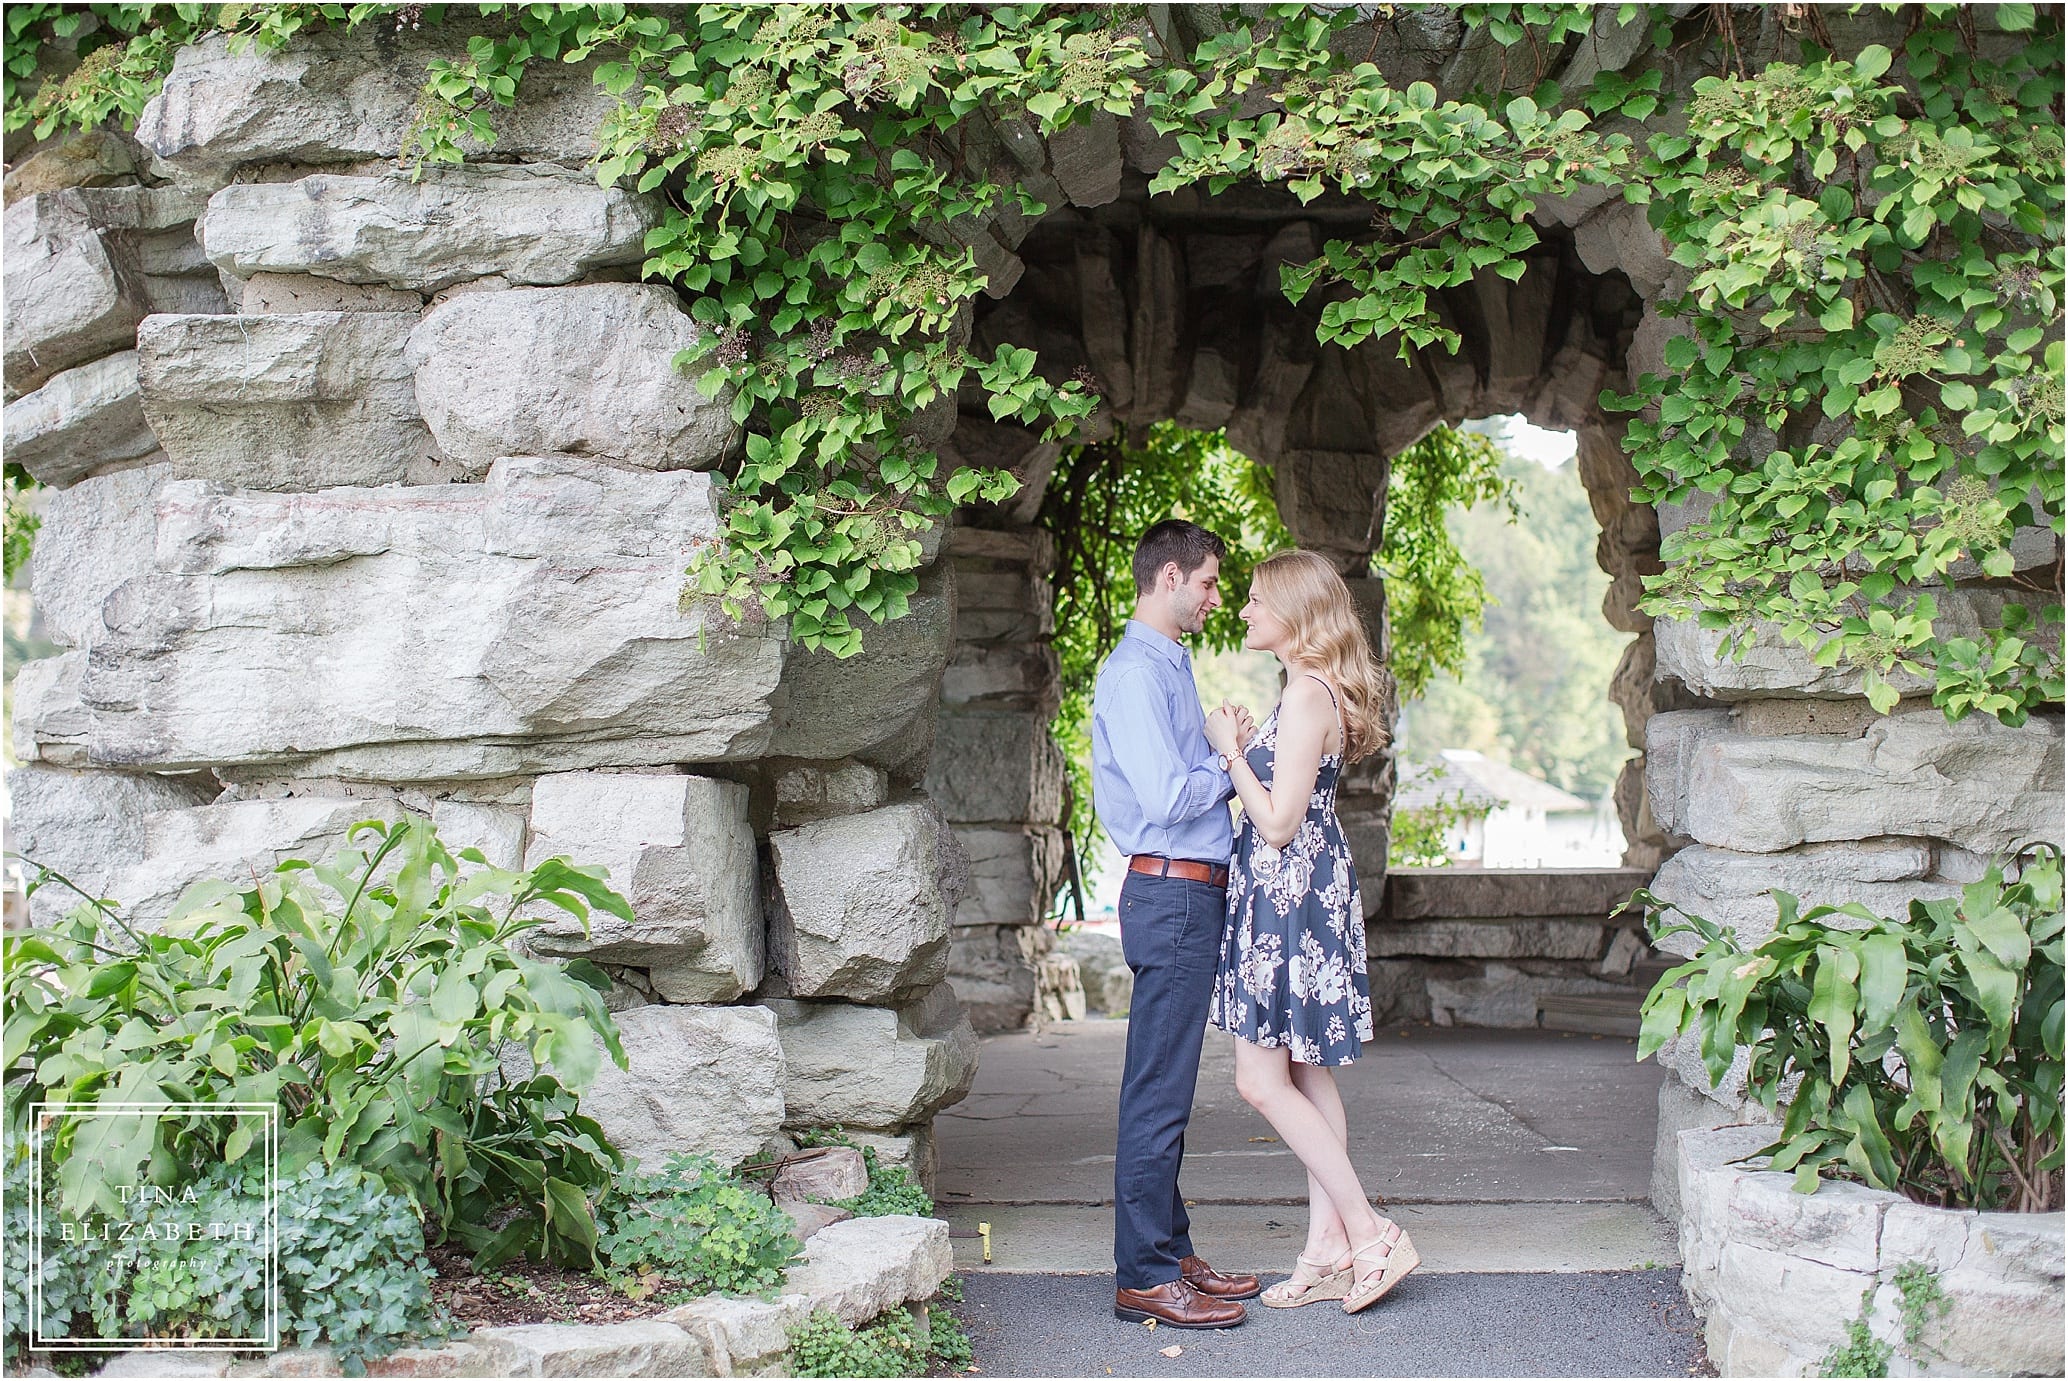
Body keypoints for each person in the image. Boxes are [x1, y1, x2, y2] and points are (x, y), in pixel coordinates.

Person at [1201, 548, 1414, 1315]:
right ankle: (1326, 1250)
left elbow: (1280, 823)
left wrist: (1230, 752)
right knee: (1309, 1072)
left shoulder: (1306, 688)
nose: (1245, 609)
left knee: (1260, 1079)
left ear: (1295, 613)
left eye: (1258, 599)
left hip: (1287, 895)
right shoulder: (1308, 691)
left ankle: (1369, 1231)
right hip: (1296, 894)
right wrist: (1254, 747)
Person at [1090, 518, 1263, 1329]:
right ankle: (1144, 1275)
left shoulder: (1168, 665)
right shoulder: (1134, 673)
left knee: (1169, 1089)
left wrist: (1220, 748)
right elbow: (1165, 799)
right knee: (1157, 1092)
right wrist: (1230, 760)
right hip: (1172, 896)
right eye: (1208, 582)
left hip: (1186, 893)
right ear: (1168, 577)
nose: (1215, 596)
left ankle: (1172, 1250)